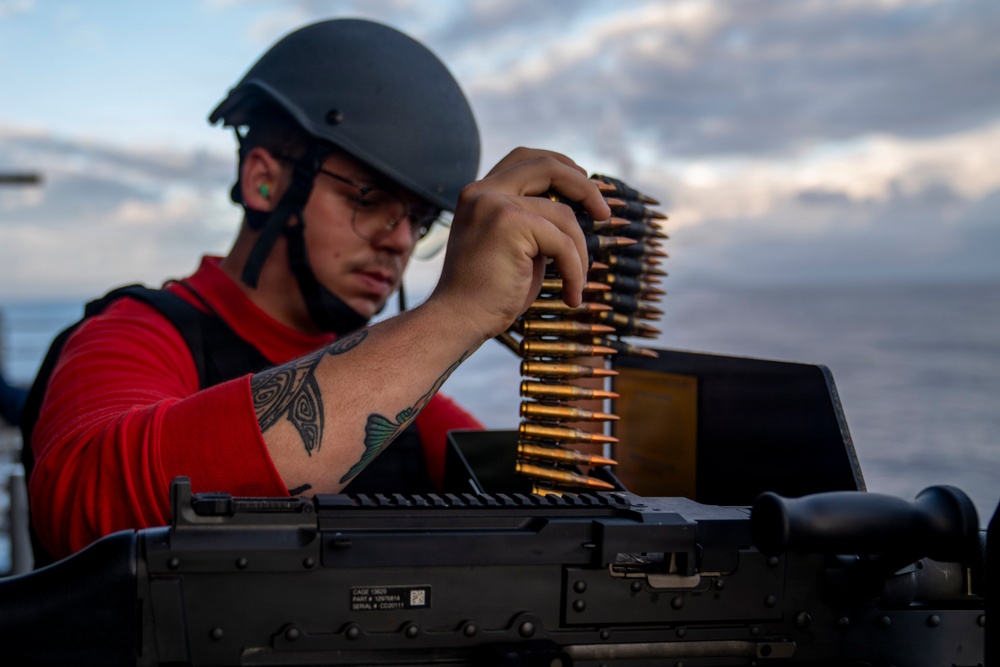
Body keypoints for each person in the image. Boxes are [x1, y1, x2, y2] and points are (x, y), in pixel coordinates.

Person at [25, 19, 609, 563]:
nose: (399, 240)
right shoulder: (136, 333)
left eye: (419, 220)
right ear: (263, 180)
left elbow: (546, 521)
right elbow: (88, 513)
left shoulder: (404, 396)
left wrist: (582, 351)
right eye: (369, 199)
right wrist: (456, 314)